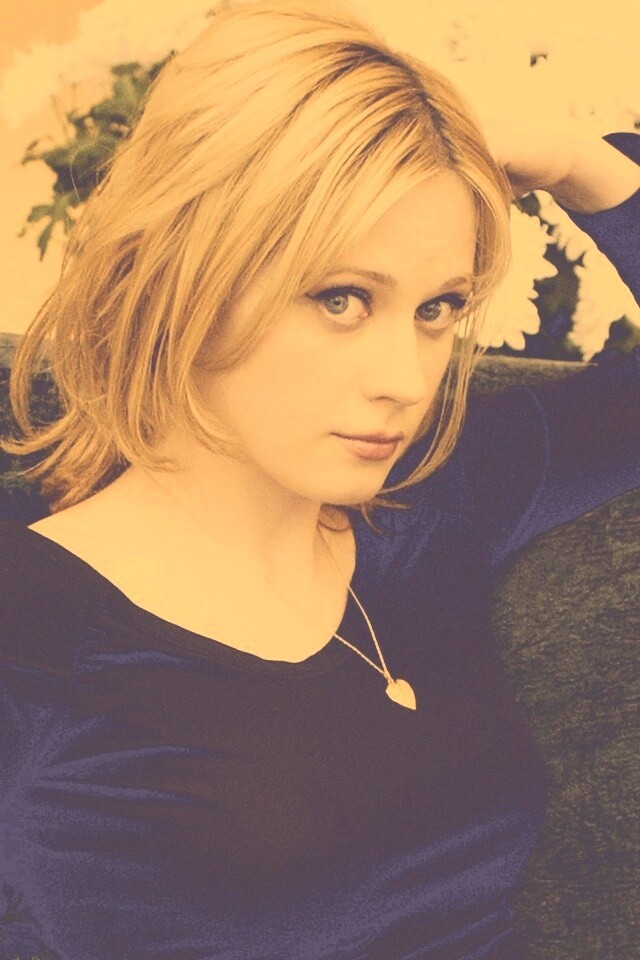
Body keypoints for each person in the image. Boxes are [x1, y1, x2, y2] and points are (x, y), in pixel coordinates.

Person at [0, 1, 638, 957]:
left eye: (437, 308)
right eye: (342, 298)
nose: (406, 379)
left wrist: (585, 164)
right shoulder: (30, 627)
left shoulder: (433, 498)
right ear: (184, 275)